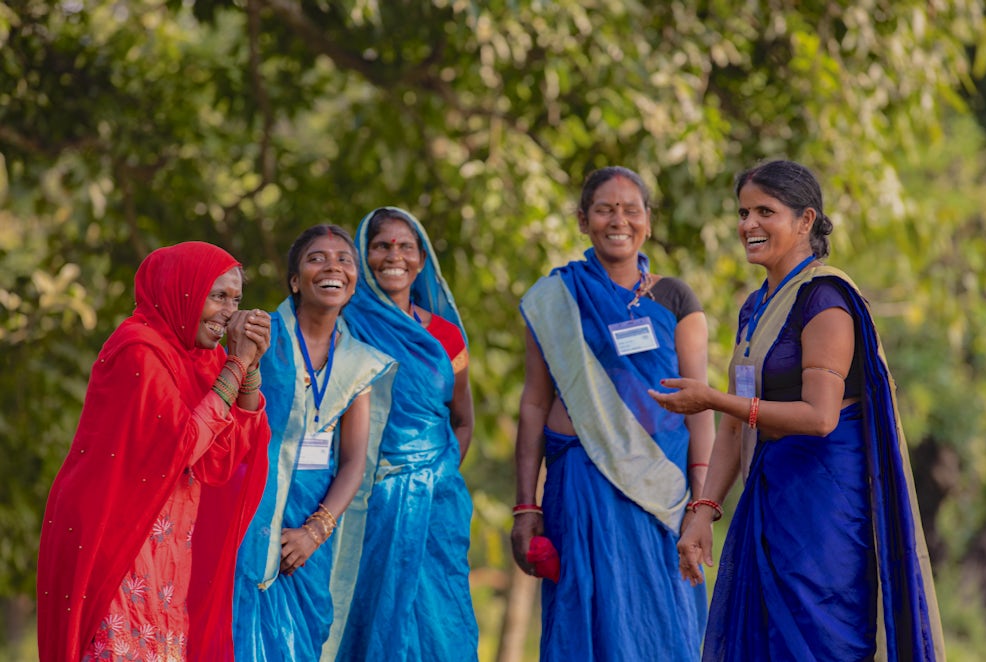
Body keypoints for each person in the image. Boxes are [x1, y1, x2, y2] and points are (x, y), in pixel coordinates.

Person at [649, 159, 946, 660]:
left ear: (806, 220)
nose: (748, 225)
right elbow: (732, 424)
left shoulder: (825, 299)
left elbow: (820, 416)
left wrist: (713, 398)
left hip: (823, 510)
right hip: (768, 498)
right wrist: (704, 510)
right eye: (743, 213)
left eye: (765, 211)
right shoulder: (755, 306)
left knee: (819, 641)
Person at [511, 166, 713, 662]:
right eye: (604, 209)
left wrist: (700, 505)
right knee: (585, 619)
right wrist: (525, 506)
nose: (617, 219)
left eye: (630, 209)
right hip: (580, 486)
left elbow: (701, 410)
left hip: (660, 491)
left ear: (647, 221)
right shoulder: (557, 298)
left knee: (665, 623)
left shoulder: (676, 297)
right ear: (583, 220)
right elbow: (535, 401)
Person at [36, 241, 272, 661]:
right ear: (181, 290)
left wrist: (248, 370)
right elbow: (185, 443)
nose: (229, 313)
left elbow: (221, 461)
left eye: (235, 300)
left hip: (168, 547)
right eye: (217, 296)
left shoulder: (202, 361)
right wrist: (235, 366)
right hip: (118, 535)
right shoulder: (138, 348)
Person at [232, 225, 396, 660]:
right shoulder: (261, 337)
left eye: (344, 259)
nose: (333, 267)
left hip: (307, 540)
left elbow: (353, 463)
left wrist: (313, 533)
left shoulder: (358, 362)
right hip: (246, 522)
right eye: (316, 258)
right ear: (294, 280)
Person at [335, 207, 478, 661]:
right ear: (364, 255)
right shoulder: (345, 326)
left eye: (405, 246)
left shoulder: (446, 336)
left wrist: (440, 474)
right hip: (366, 500)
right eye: (381, 246)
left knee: (443, 619)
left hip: (438, 502)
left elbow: (462, 419)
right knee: (370, 616)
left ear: (421, 259)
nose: (393, 255)